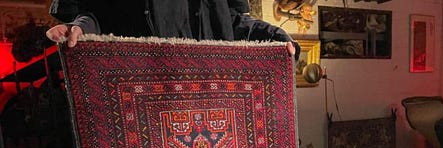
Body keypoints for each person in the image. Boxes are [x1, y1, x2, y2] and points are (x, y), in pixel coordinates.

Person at [46, 0, 298, 58]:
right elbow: (102, 15)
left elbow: (231, 23)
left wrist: (278, 39)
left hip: (207, 99)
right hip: (148, 100)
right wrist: (79, 28)